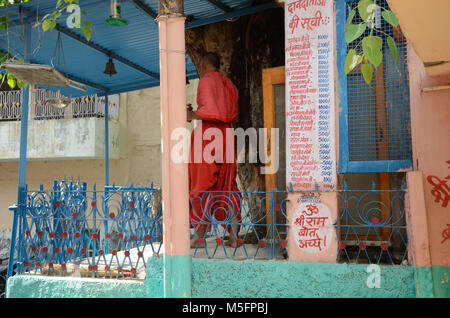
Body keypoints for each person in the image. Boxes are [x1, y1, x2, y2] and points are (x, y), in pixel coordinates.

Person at [187, 52, 241, 248]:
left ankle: (199, 238)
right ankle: (235, 237)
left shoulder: (206, 81)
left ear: (202, 66)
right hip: (226, 136)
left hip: (208, 137)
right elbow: (227, 114)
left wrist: (191, 114)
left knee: (202, 186)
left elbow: (213, 112)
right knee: (228, 186)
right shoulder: (229, 85)